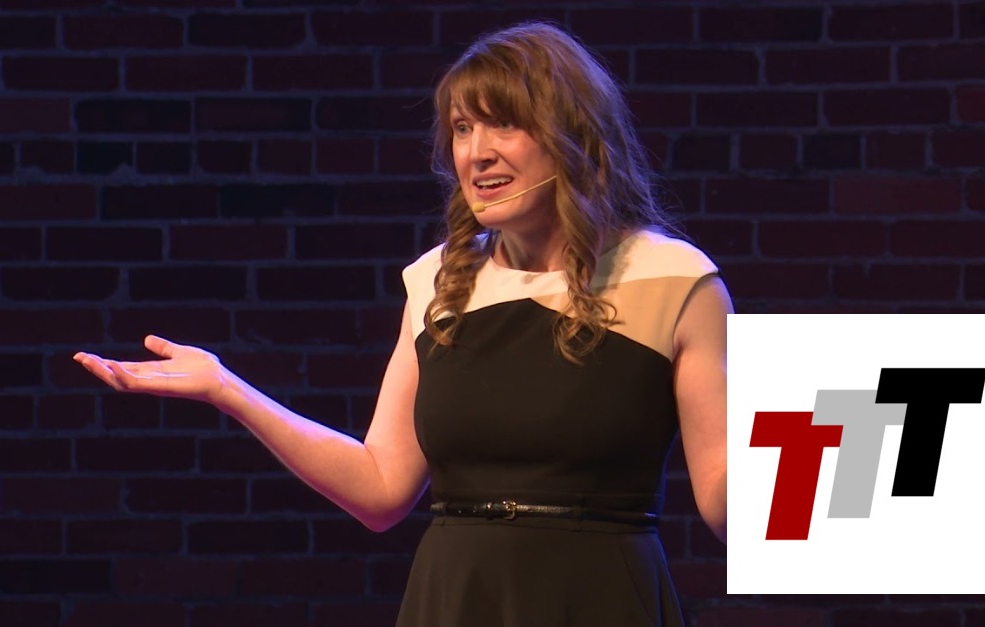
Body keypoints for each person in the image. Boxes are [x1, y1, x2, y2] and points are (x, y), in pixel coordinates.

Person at [74, 21, 729, 627]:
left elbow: (729, 502)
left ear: (573, 136)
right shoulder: (437, 280)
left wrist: (798, 422)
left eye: (503, 125)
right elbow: (381, 488)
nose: (476, 154)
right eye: (462, 129)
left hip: (599, 598)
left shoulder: (672, 279)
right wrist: (228, 389)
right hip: (456, 597)